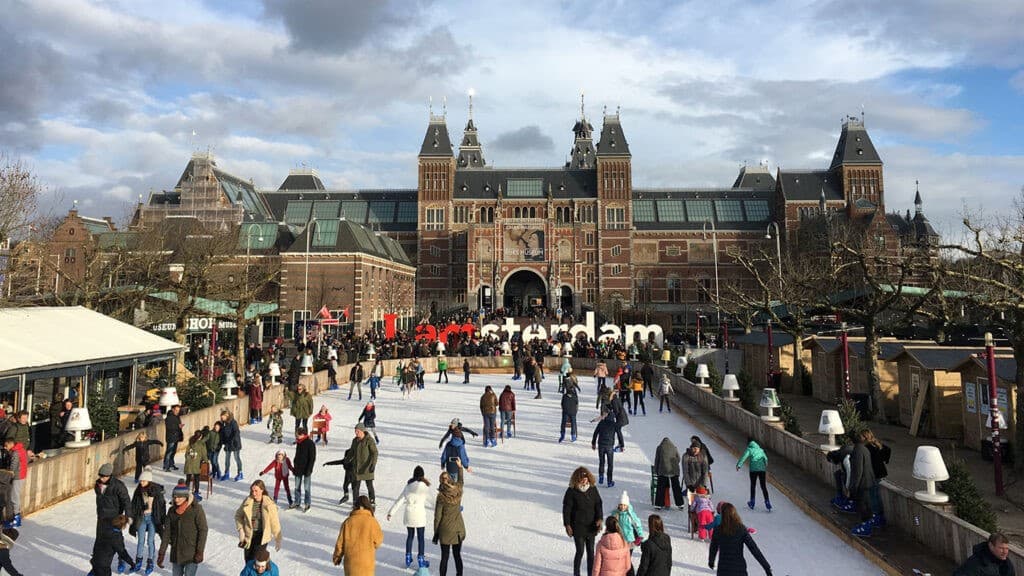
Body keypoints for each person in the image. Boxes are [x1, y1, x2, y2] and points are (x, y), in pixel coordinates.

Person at [157, 481, 209, 575]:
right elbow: (167, 533)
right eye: (175, 497)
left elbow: (203, 530)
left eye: (179, 497)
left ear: (186, 497)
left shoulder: (196, 510)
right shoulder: (172, 511)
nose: (176, 500)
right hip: (176, 552)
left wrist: (200, 551)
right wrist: (162, 552)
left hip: (191, 553)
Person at [387, 465, 432, 569]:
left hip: (409, 515)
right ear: (422, 475)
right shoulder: (425, 487)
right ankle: (421, 559)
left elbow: (399, 501)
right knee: (421, 538)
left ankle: (408, 557)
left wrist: (391, 512)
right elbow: (433, 502)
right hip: (420, 516)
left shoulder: (408, 486)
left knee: (410, 536)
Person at [708, 503, 771, 576]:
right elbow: (754, 549)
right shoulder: (741, 529)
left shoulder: (718, 530)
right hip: (739, 569)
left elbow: (713, 547)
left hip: (723, 570)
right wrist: (766, 567)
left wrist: (711, 561)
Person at [562, 466, 603, 576]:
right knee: (580, 552)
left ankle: (591, 574)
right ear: (577, 479)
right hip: (578, 527)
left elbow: (598, 504)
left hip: (591, 526)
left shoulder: (593, 489)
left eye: (586, 477)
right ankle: (577, 573)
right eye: (582, 478)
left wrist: (599, 519)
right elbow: (566, 509)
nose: (584, 480)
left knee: (591, 553)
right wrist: (567, 525)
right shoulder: (571, 491)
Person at [333, 495, 384, 575]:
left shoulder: (347, 522)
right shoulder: (372, 521)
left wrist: (337, 557)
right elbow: (378, 540)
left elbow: (340, 543)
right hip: (367, 562)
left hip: (351, 562)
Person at [128, 468, 166, 575]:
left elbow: (162, 507)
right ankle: (138, 561)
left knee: (150, 541)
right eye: (140, 481)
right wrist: (133, 516)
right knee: (140, 540)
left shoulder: (156, 491)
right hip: (142, 518)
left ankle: (150, 563)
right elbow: (134, 504)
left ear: (149, 480)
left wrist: (162, 519)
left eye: (143, 481)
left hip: (153, 519)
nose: (141, 483)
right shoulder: (138, 491)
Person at [235, 479, 282, 563]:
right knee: (248, 560)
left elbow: (274, 522)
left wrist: (278, 539)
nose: (254, 493)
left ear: (262, 490)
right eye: (252, 491)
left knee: (256, 560)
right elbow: (238, 516)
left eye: (256, 491)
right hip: (249, 535)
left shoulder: (269, 504)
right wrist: (241, 530)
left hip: (262, 536)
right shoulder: (248, 501)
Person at [433, 459, 466, 576]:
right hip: (458, 529)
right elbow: (461, 481)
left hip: (445, 531)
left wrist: (436, 533)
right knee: (457, 555)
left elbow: (437, 517)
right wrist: (460, 467)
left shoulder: (441, 497)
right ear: (451, 479)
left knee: (444, 557)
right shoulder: (458, 490)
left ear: (441, 482)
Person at [848, 430, 877, 537]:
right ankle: (867, 524)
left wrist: (853, 486)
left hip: (863, 483)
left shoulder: (858, 450)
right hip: (868, 481)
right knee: (866, 504)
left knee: (863, 505)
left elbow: (858, 470)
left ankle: (866, 528)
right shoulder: (864, 449)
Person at [862, 429, 891, 528]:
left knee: (873, 495)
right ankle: (879, 517)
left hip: (874, 474)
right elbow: (888, 450)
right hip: (880, 473)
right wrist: (885, 460)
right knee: (875, 494)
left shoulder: (867, 447)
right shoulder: (876, 443)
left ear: (865, 437)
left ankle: (877, 516)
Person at [592, 409, 625, 487]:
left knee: (602, 461)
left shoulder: (601, 423)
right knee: (610, 464)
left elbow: (595, 433)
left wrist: (593, 443)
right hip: (609, 446)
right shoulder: (614, 424)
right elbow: (620, 435)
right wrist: (622, 445)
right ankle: (609, 481)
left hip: (601, 445)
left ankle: (601, 476)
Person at [736, 437, 770, 512]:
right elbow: (765, 458)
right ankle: (767, 501)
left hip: (753, 470)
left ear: (749, 443)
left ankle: (752, 502)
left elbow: (744, 457)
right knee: (763, 486)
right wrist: (765, 465)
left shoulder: (749, 449)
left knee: (753, 485)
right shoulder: (761, 450)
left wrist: (739, 465)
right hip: (762, 470)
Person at [615, 491, 645, 572]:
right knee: (619, 559)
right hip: (619, 540)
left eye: (624, 505)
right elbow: (610, 524)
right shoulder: (616, 514)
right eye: (621, 505)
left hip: (629, 540)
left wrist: (641, 535)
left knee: (626, 559)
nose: (622, 507)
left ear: (627, 505)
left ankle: (628, 573)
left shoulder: (630, 515)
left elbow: (637, 525)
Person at [653, 437, 684, 510]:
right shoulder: (674, 447)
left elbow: (657, 459)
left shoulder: (659, 448)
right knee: (676, 487)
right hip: (673, 471)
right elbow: (678, 458)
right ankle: (680, 504)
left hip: (663, 470)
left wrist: (657, 470)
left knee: (661, 487)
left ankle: (658, 504)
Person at [351, 423, 378, 505]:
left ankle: (372, 502)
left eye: (357, 431)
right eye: (355, 431)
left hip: (367, 467)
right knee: (355, 488)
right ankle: (355, 503)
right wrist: (346, 460)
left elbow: (375, 453)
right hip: (357, 468)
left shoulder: (369, 440)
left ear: (362, 431)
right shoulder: (355, 440)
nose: (356, 433)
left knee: (369, 486)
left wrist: (373, 465)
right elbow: (351, 452)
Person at [1, 438, 25, 528]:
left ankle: (16, 520)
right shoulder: (21, 449)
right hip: (21, 476)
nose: (5, 447)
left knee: (14, 498)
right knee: (15, 496)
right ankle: (16, 518)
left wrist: (6, 472)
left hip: (18, 477)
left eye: (6, 445)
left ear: (10, 444)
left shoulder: (15, 452)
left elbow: (13, 467)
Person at [291, 426, 316, 512]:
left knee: (306, 488)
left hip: (306, 470)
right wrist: (295, 465)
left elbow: (312, 458)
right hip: (298, 468)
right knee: (297, 487)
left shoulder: (310, 443)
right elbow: (297, 455)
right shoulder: (299, 442)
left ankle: (307, 503)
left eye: (297, 434)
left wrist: (309, 469)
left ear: (302, 434)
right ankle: (297, 502)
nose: (296, 436)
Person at [182, 430, 208, 502]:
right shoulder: (201, 444)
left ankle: (186, 493)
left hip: (188, 464)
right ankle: (196, 493)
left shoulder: (190, 442)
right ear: (200, 437)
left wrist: (189, 458)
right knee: (196, 479)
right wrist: (206, 461)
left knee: (188, 479)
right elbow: (204, 454)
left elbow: (186, 454)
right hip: (196, 464)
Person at [220, 410, 244, 482]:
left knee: (236, 458)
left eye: (223, 416)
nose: (221, 418)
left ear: (227, 416)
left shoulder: (233, 422)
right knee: (227, 459)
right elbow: (223, 434)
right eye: (221, 416)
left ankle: (240, 473)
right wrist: (223, 441)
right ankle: (226, 473)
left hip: (235, 443)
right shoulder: (223, 423)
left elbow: (236, 432)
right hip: (228, 444)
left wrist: (233, 441)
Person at [163, 404, 184, 471]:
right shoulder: (169, 418)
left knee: (173, 452)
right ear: (173, 409)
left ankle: (171, 464)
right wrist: (178, 426)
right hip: (171, 437)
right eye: (176, 410)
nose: (177, 411)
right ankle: (166, 466)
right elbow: (169, 427)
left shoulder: (177, 417)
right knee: (169, 452)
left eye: (178, 410)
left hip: (176, 437)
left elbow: (177, 426)